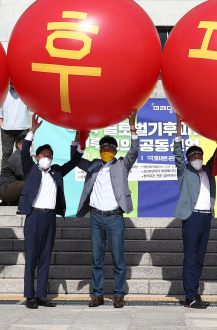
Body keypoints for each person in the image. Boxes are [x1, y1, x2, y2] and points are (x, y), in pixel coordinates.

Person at [75, 110, 139, 309]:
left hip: (114, 218)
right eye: (103, 147)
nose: (106, 150)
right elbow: (76, 160)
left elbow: (134, 151)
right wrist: (78, 136)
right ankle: (97, 294)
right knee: (97, 258)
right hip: (95, 217)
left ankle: (119, 294)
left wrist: (132, 127)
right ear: (100, 150)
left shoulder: (122, 165)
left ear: (115, 150)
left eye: (110, 148)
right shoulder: (93, 165)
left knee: (118, 258)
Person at [20, 115, 84, 309]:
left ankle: (41, 295)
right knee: (31, 257)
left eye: (50, 156)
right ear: (37, 157)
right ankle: (29, 296)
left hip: (50, 217)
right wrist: (32, 131)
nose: (47, 158)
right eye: (44, 156)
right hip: (34, 216)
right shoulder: (31, 169)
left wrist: (79, 140)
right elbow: (24, 153)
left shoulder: (56, 171)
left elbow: (74, 162)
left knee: (46, 256)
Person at [173, 113, 217, 309]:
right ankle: (189, 297)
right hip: (192, 217)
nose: (197, 159)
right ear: (188, 160)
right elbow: (177, 154)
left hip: (206, 218)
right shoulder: (184, 171)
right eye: (193, 157)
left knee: (200, 259)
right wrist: (179, 129)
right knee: (190, 258)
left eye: (199, 156)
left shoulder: (208, 171)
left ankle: (194, 293)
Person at [0, 82, 30, 168]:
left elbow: (32, 106)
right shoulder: (4, 92)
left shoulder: (26, 92)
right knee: (7, 154)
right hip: (7, 129)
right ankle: (5, 178)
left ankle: (23, 176)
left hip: (23, 127)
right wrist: (1, 125)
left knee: (23, 153)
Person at [0, 134, 27, 206]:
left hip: (9, 187)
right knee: (32, 182)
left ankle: (10, 202)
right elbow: (25, 176)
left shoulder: (21, 156)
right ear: (19, 145)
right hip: (5, 189)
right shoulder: (18, 158)